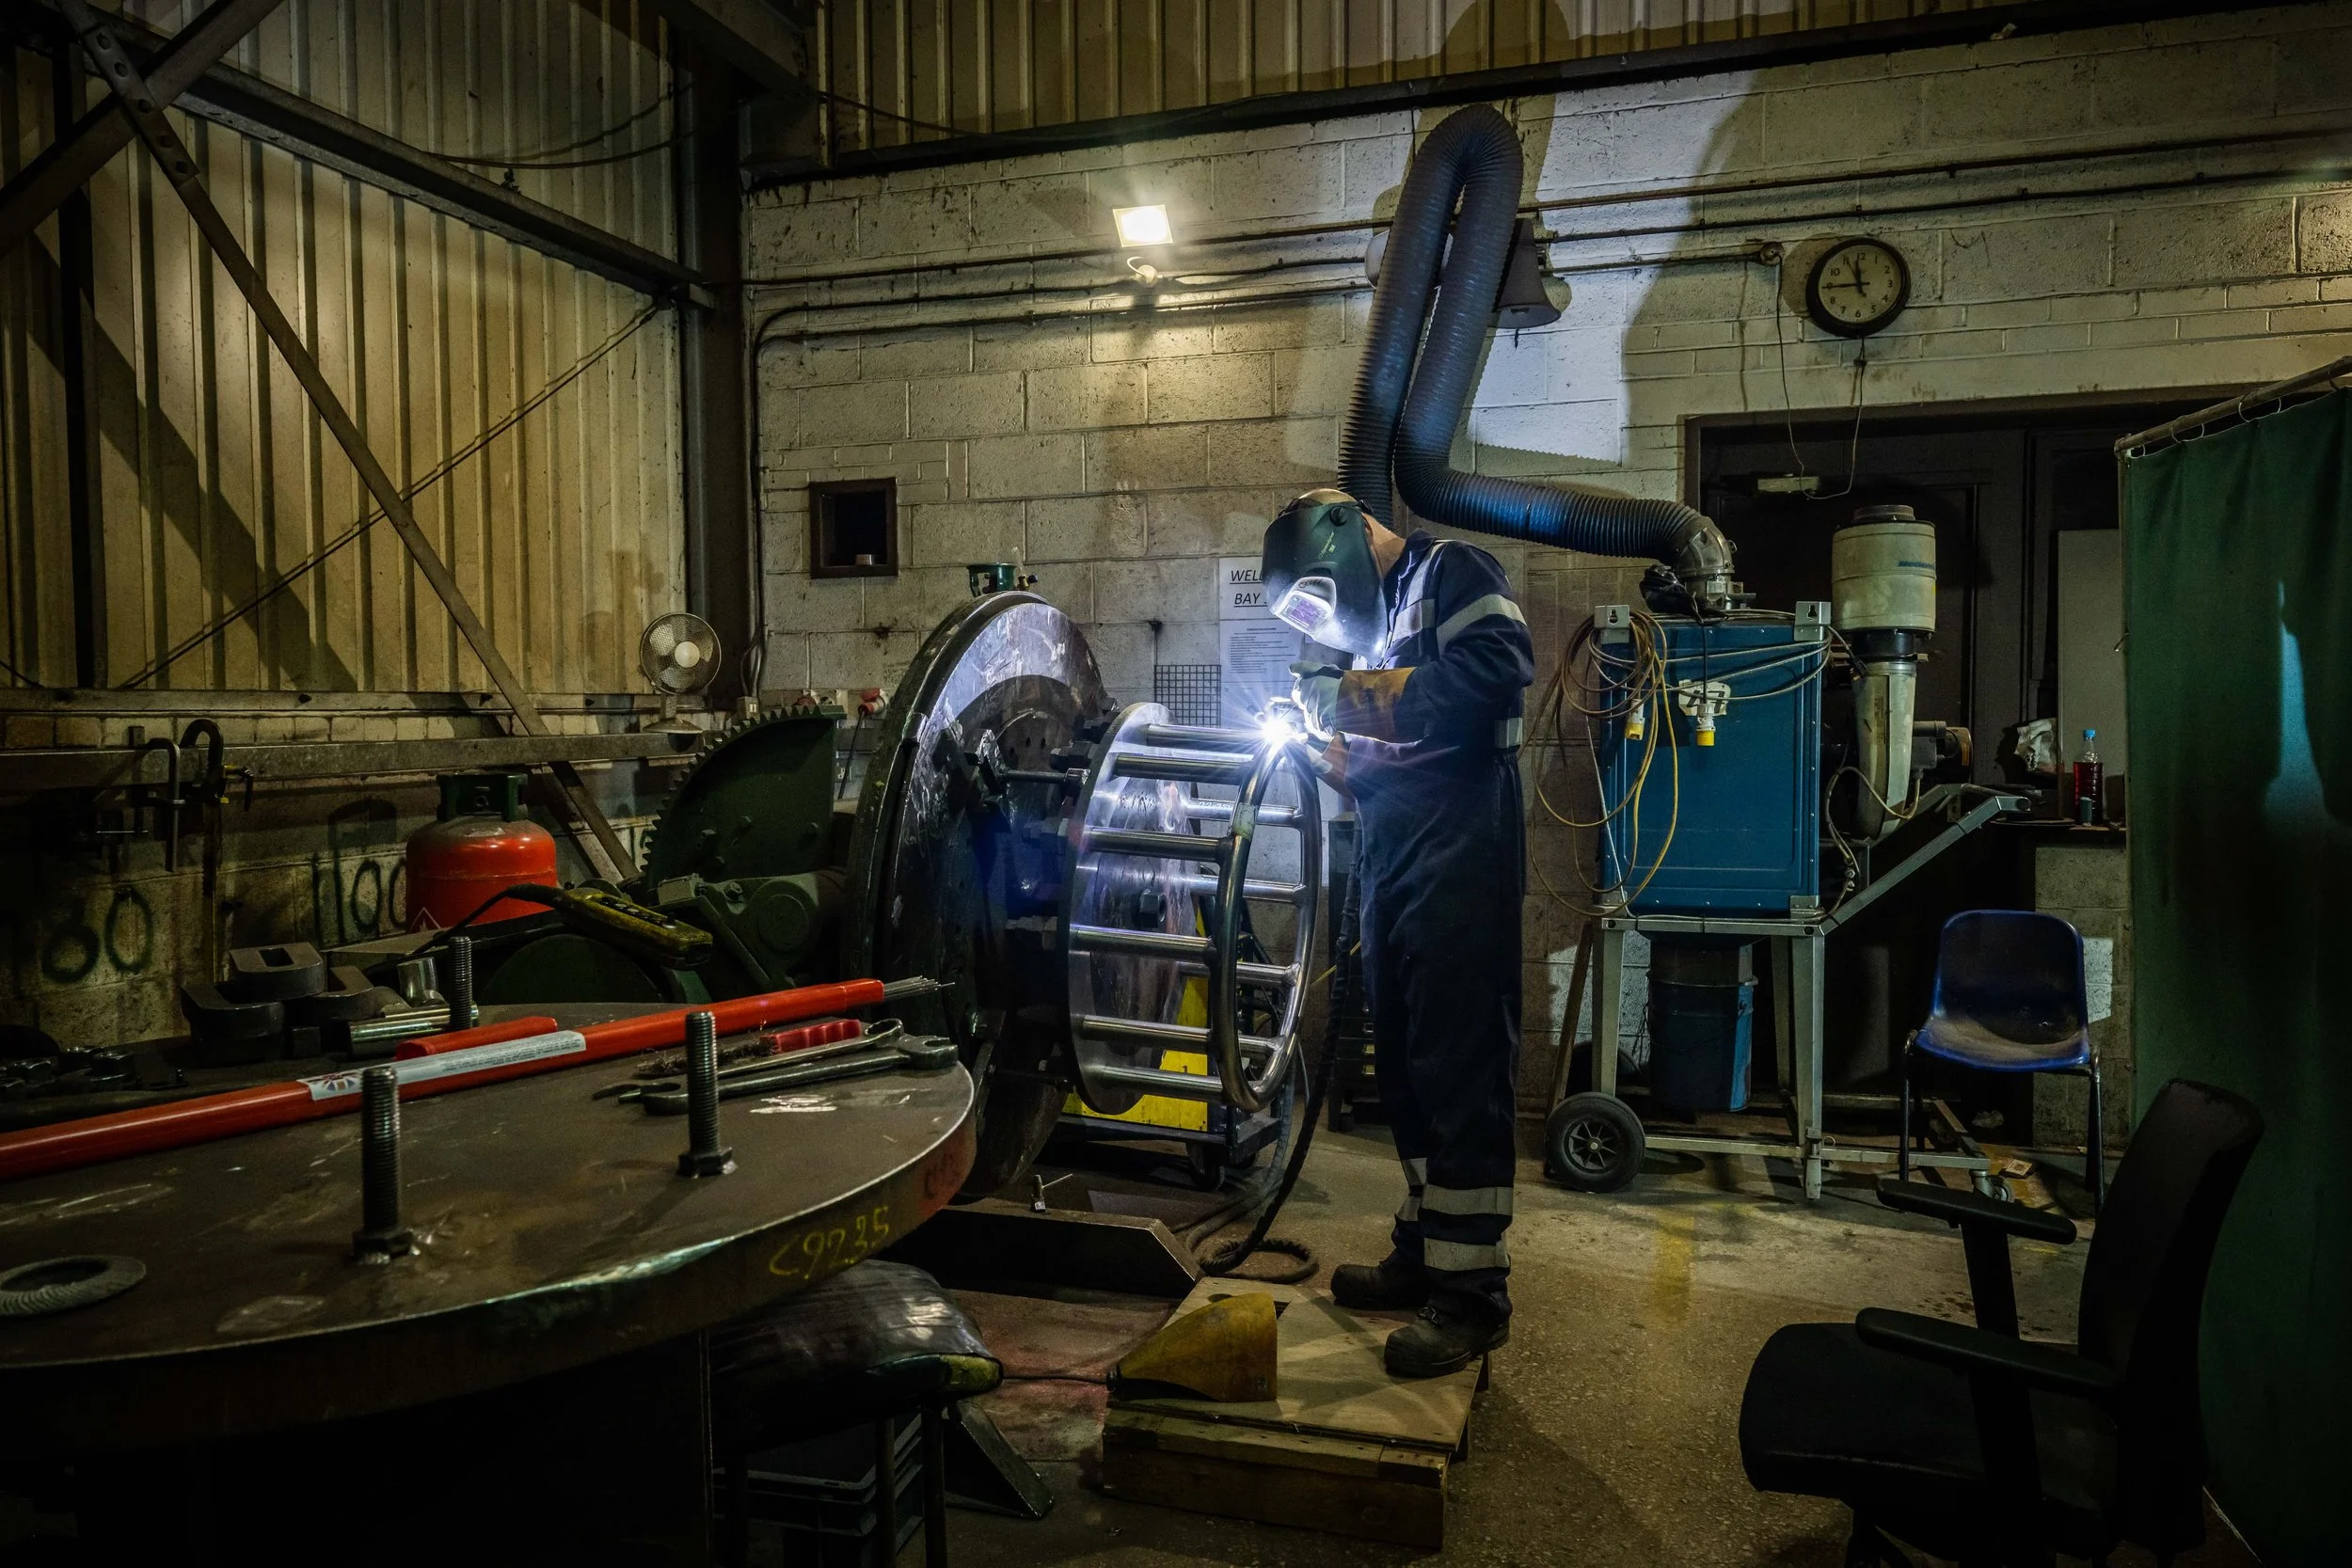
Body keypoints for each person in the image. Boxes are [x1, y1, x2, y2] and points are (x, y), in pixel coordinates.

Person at [1261, 487, 1533, 1378]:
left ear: (1343, 537)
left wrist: (1352, 698)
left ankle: (1472, 1296)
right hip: (1393, 860)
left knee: (1458, 1066)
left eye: (1315, 598)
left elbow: (1499, 668)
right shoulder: (1376, 634)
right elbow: (1387, 761)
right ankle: (1426, 1249)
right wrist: (1329, 753)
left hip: (1463, 859)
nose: (1323, 623)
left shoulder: (1453, 573)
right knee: (1409, 1067)